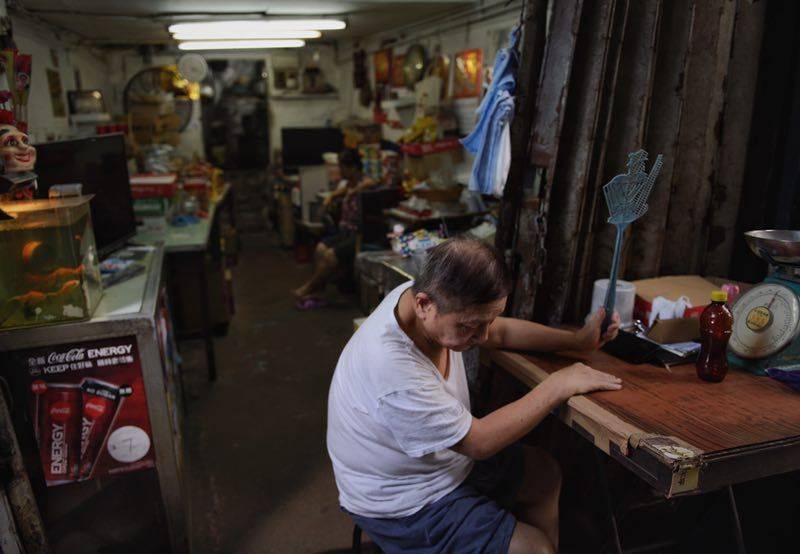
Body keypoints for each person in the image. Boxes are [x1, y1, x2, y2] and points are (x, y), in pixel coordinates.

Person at [327, 237, 622, 553]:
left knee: (544, 474)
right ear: (425, 304)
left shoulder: (422, 300)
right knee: (532, 549)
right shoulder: (392, 367)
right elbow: (478, 443)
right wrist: (558, 384)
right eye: (470, 326)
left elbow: (499, 332)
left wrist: (575, 341)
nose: (482, 336)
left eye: (487, 321)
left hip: (441, 464)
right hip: (402, 501)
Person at [293, 148, 374, 308]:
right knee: (320, 248)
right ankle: (319, 291)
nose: (340, 170)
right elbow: (342, 191)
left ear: (353, 168)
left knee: (329, 255)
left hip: (356, 234)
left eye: (342, 167)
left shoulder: (364, 183)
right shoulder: (348, 184)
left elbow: (371, 182)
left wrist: (354, 192)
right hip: (343, 231)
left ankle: (309, 287)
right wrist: (331, 197)